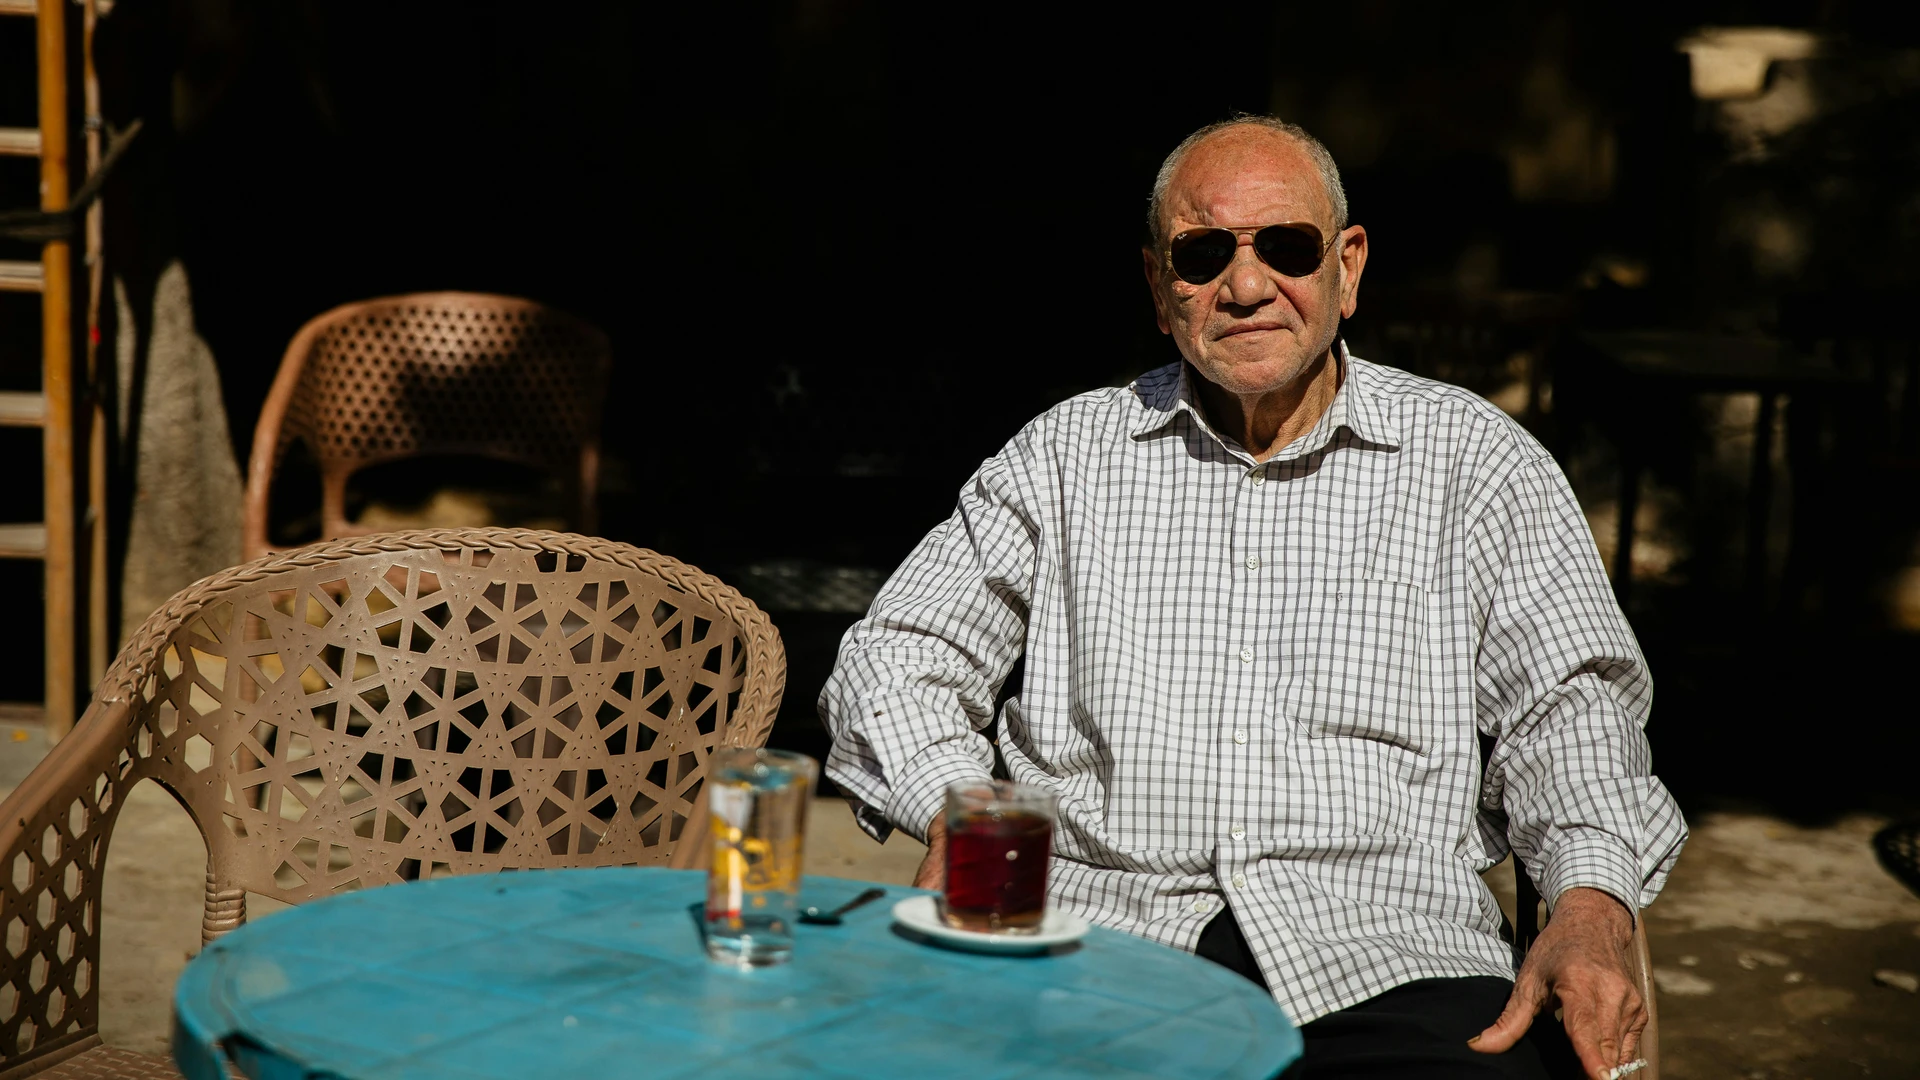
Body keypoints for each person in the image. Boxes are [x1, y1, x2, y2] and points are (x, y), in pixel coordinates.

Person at [819, 115, 1685, 1080]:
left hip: (1390, 959)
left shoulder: (1475, 462)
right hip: (1088, 945)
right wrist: (961, 809)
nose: (1243, 284)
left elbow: (1571, 709)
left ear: (1347, 268)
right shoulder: (1065, 456)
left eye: (1286, 246)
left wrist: (1591, 902)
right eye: (1201, 254)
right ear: (1159, 287)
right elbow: (896, 654)